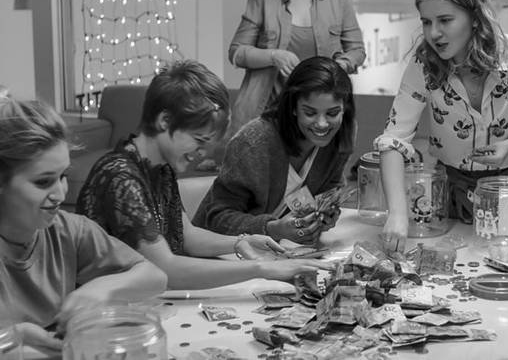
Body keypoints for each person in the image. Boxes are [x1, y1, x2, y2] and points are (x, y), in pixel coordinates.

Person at [76, 60, 330, 290]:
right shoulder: (120, 177)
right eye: (198, 140)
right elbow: (167, 269)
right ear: (165, 121)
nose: (202, 153)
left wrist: (240, 241)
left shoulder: (160, 168)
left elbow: (187, 235)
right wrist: (261, 268)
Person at [376, 0, 508, 253]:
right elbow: (393, 140)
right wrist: (396, 214)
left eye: (445, 20)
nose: (434, 33)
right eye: (426, 22)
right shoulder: (423, 64)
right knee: (455, 271)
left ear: (474, 17)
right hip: (453, 191)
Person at [0, 98, 167, 351]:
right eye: (43, 182)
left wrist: (103, 289)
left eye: (63, 176)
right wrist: (14, 337)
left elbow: (155, 277)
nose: (60, 194)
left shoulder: (69, 231)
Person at [193, 56, 355, 244]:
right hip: (216, 251)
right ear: (293, 107)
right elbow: (216, 219)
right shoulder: (253, 143)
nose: (322, 124)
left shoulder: (339, 139)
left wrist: (324, 217)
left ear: (344, 108)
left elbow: (330, 190)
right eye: (310, 113)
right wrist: (272, 229)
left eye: (332, 113)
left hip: (277, 252)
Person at [227, 0, 365, 136]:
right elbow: (236, 53)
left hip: (320, 115)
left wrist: (337, 67)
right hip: (267, 113)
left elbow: (357, 51)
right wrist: (274, 56)